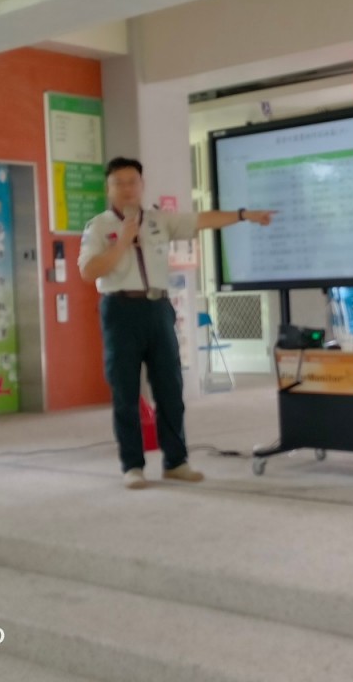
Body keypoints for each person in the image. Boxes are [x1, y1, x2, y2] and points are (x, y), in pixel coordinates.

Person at [79, 157, 274, 489]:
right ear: (108, 189)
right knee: (125, 392)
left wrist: (243, 215)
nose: (126, 189)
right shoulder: (98, 227)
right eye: (118, 183)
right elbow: (88, 271)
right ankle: (132, 465)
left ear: (142, 185)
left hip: (158, 308)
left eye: (132, 182)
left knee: (170, 388)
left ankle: (176, 461)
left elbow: (202, 220)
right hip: (120, 310)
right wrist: (123, 241)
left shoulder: (159, 220)